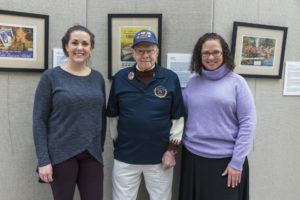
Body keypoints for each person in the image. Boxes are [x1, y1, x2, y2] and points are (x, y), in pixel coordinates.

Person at [106, 29, 185, 200]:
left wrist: (171, 150)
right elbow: (113, 117)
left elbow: (177, 118)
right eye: (140, 51)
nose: (145, 55)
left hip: (160, 158)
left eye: (150, 50)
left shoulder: (170, 78)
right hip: (125, 157)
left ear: (157, 52)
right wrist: (118, 145)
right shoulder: (120, 78)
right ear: (133, 53)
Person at [179, 33, 256, 200]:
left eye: (216, 52)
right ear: (199, 56)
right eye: (205, 53)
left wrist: (237, 162)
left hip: (226, 162)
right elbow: (183, 116)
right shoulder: (192, 82)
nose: (211, 57)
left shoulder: (238, 83)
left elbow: (248, 123)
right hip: (193, 159)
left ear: (224, 54)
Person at [33, 25, 106, 200]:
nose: (79, 48)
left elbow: (101, 116)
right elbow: (39, 120)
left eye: (85, 43)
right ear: (66, 46)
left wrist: (99, 146)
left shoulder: (97, 78)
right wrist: (43, 161)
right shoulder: (51, 77)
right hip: (61, 154)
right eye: (74, 42)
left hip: (92, 155)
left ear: (91, 48)